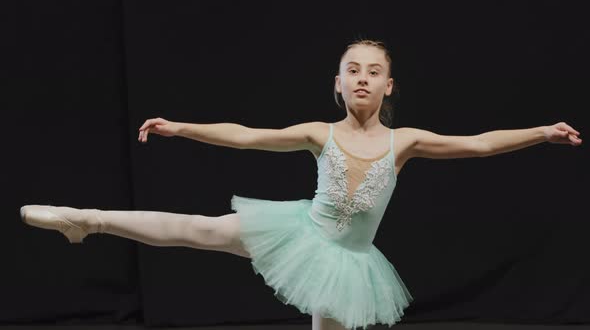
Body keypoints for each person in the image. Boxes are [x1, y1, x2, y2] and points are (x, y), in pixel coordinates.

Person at [20, 39, 582, 330]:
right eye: (353, 70)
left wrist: (541, 132)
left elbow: (479, 143)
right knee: (197, 228)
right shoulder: (321, 133)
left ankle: (88, 220)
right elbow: (246, 136)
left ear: (390, 86)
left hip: (349, 263)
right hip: (298, 235)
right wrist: (181, 127)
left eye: (374, 71)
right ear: (338, 84)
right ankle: (85, 219)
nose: (363, 77)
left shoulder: (404, 141)